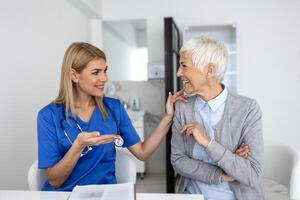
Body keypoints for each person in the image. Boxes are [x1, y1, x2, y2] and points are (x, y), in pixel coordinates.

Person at [37, 42, 185, 191]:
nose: (104, 78)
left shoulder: (114, 108)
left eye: (105, 71)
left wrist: (167, 117)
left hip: (105, 194)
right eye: (96, 72)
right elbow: (55, 181)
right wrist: (78, 146)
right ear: (74, 75)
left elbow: (142, 152)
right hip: (64, 195)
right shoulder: (48, 116)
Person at [171, 37, 264, 200]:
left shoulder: (248, 110)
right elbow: (178, 161)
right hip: (193, 195)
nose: (179, 72)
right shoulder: (182, 107)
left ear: (210, 70)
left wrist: (208, 143)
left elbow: (251, 174)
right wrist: (223, 171)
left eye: (184, 66)